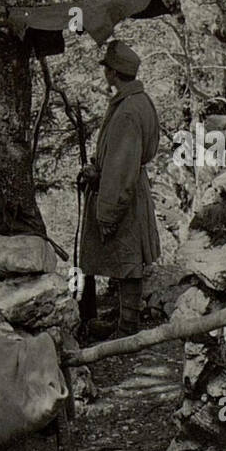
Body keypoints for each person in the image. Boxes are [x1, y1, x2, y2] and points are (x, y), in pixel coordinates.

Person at [77, 40, 161, 340]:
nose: (105, 74)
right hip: (131, 187)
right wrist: (98, 169)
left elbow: (121, 168)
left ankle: (127, 328)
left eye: (106, 69)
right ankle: (125, 323)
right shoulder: (140, 101)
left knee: (127, 259)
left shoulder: (127, 111)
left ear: (113, 73)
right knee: (128, 258)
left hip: (123, 192)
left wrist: (107, 212)